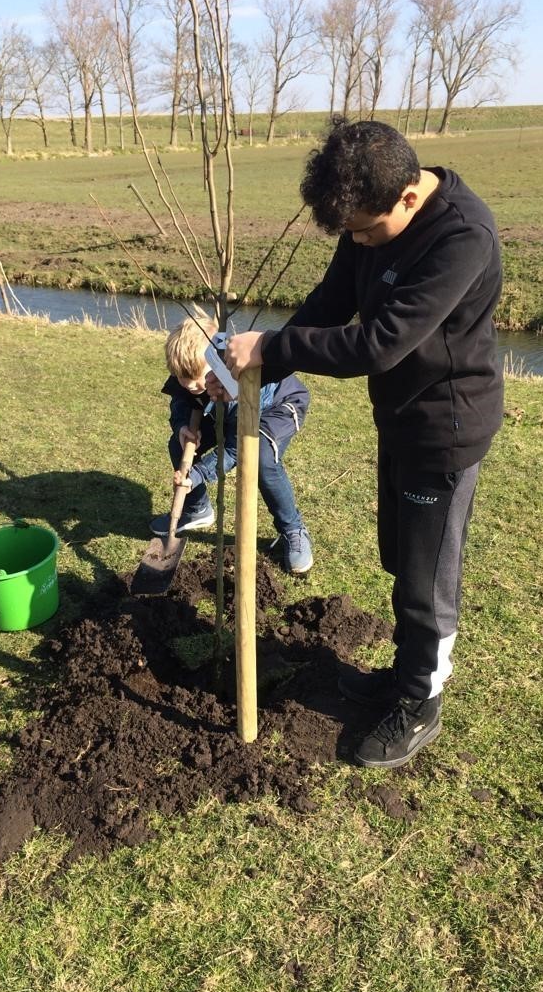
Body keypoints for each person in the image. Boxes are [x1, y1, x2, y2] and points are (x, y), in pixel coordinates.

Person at [214, 118, 504, 768]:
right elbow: (334, 298)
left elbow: (380, 343)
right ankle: (403, 677)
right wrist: (258, 368)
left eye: (368, 231)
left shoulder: (463, 236)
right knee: (404, 563)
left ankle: (419, 707)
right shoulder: (369, 218)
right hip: (400, 419)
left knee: (429, 582)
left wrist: (275, 346)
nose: (361, 244)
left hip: (446, 432)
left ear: (408, 196)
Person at [151, 314, 314, 574]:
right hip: (223, 409)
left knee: (261, 459)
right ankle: (197, 509)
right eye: (183, 377)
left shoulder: (238, 381)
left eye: (197, 378)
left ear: (218, 361)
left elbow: (235, 448)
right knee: (177, 444)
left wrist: (199, 473)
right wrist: (182, 426)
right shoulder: (188, 373)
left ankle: (293, 530)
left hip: (274, 407)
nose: (191, 385)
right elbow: (181, 399)